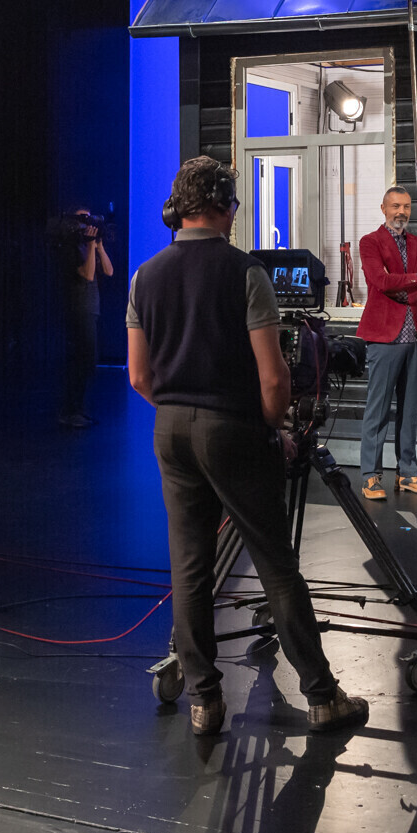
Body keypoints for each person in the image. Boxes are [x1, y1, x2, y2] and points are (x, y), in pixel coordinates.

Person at [126, 156, 368, 738]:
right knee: (276, 566)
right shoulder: (245, 272)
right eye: (234, 204)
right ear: (222, 205)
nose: (235, 214)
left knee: (190, 568)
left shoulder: (144, 275)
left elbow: (138, 376)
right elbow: (274, 379)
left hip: (170, 429)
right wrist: (273, 428)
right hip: (232, 429)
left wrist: (180, 409)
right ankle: (322, 695)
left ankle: (204, 701)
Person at [355, 187, 417, 500]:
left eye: (406, 206)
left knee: (409, 410)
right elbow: (379, 281)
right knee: (377, 409)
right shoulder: (370, 242)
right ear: (383, 208)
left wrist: (407, 288)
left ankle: (408, 473)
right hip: (383, 337)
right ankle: (370, 476)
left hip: (415, 336)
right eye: (395, 206)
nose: (401, 212)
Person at [59, 207, 113, 428]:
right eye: (83, 219)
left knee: (88, 363)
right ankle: (70, 411)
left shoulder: (88, 246)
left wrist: (98, 246)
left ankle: (78, 410)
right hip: (79, 310)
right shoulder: (70, 248)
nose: (88, 223)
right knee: (81, 363)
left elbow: (109, 271)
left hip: (90, 310)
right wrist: (91, 246)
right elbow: (88, 275)